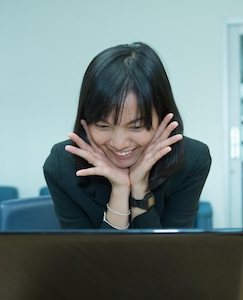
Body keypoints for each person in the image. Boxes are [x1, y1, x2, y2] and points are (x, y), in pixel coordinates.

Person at [43, 42, 211, 230]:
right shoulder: (62, 166)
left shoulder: (192, 160)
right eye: (103, 125)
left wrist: (140, 189)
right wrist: (120, 190)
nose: (119, 143)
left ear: (163, 116)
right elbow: (87, 258)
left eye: (136, 127)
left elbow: (167, 255)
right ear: (86, 120)